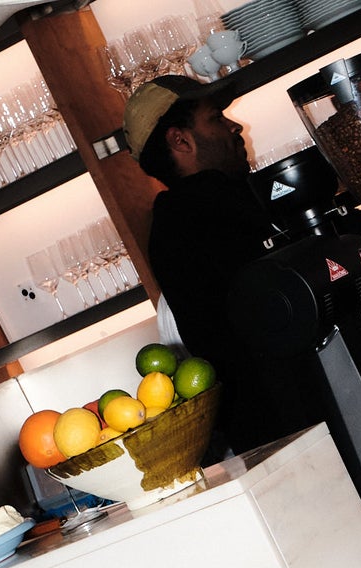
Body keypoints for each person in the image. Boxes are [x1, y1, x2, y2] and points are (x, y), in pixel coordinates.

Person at [123, 77, 316, 453]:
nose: (235, 126)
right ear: (181, 141)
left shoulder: (177, 218)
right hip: (299, 417)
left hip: (270, 430)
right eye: (216, 118)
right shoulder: (205, 207)